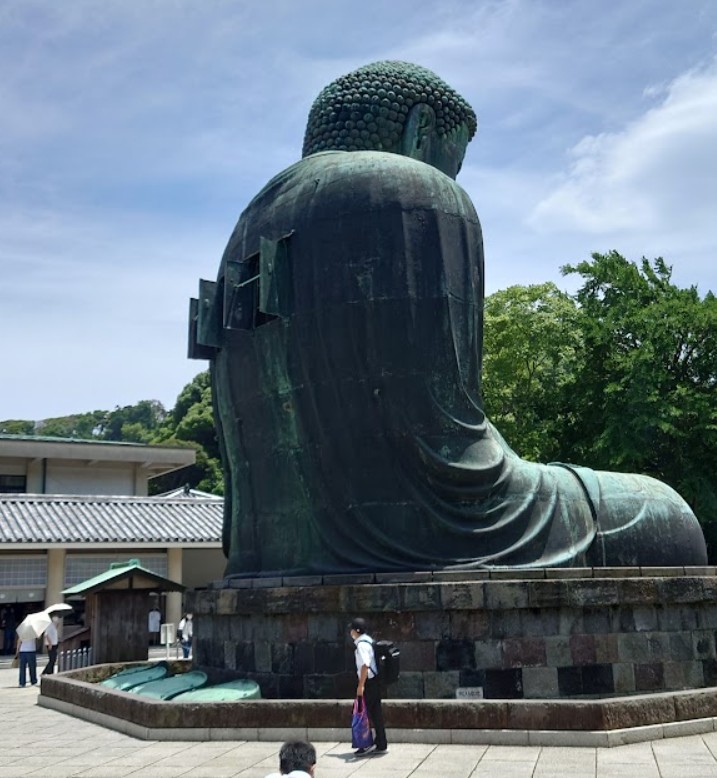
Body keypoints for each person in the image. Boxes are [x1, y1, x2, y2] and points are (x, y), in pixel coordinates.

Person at [191, 60, 707, 577]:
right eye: (453, 161)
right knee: (665, 513)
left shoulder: (247, 225)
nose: (452, 176)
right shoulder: (412, 191)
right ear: (420, 129)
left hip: (264, 551)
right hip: (436, 528)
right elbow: (454, 432)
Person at [350, 617, 387, 756]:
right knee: (376, 714)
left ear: (356, 631)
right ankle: (381, 743)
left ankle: (365, 744)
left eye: (352, 630)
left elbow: (365, 665)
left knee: (363, 714)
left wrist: (361, 686)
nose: (350, 632)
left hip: (368, 683)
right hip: (375, 681)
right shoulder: (369, 641)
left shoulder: (361, 645)